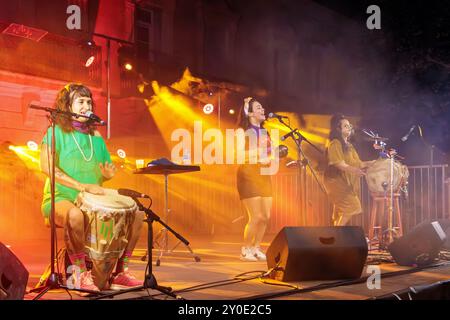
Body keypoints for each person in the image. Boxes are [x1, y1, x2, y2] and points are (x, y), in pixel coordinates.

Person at [40, 83, 144, 292]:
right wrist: (81, 186)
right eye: (80, 101)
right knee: (76, 215)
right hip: (60, 198)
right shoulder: (55, 132)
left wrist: (108, 175)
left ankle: (121, 272)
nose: (86, 105)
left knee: (138, 214)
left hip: (92, 202)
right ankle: (79, 275)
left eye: (88, 101)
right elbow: (46, 167)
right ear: (67, 106)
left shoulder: (96, 137)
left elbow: (106, 170)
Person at [236, 97, 274, 261]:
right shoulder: (241, 132)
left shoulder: (266, 132)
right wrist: (258, 153)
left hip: (263, 173)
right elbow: (237, 155)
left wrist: (271, 158)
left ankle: (256, 247)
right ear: (249, 112)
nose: (263, 110)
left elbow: (269, 153)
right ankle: (245, 249)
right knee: (256, 216)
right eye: (258, 107)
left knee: (265, 216)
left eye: (262, 107)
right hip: (247, 173)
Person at [323, 114, 374, 226]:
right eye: (345, 126)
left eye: (349, 125)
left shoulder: (349, 146)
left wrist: (374, 162)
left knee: (343, 211)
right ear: (338, 129)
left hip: (344, 181)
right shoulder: (335, 143)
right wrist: (355, 171)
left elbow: (358, 163)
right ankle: (337, 234)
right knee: (353, 207)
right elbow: (339, 164)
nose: (350, 127)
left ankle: (336, 236)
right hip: (335, 181)